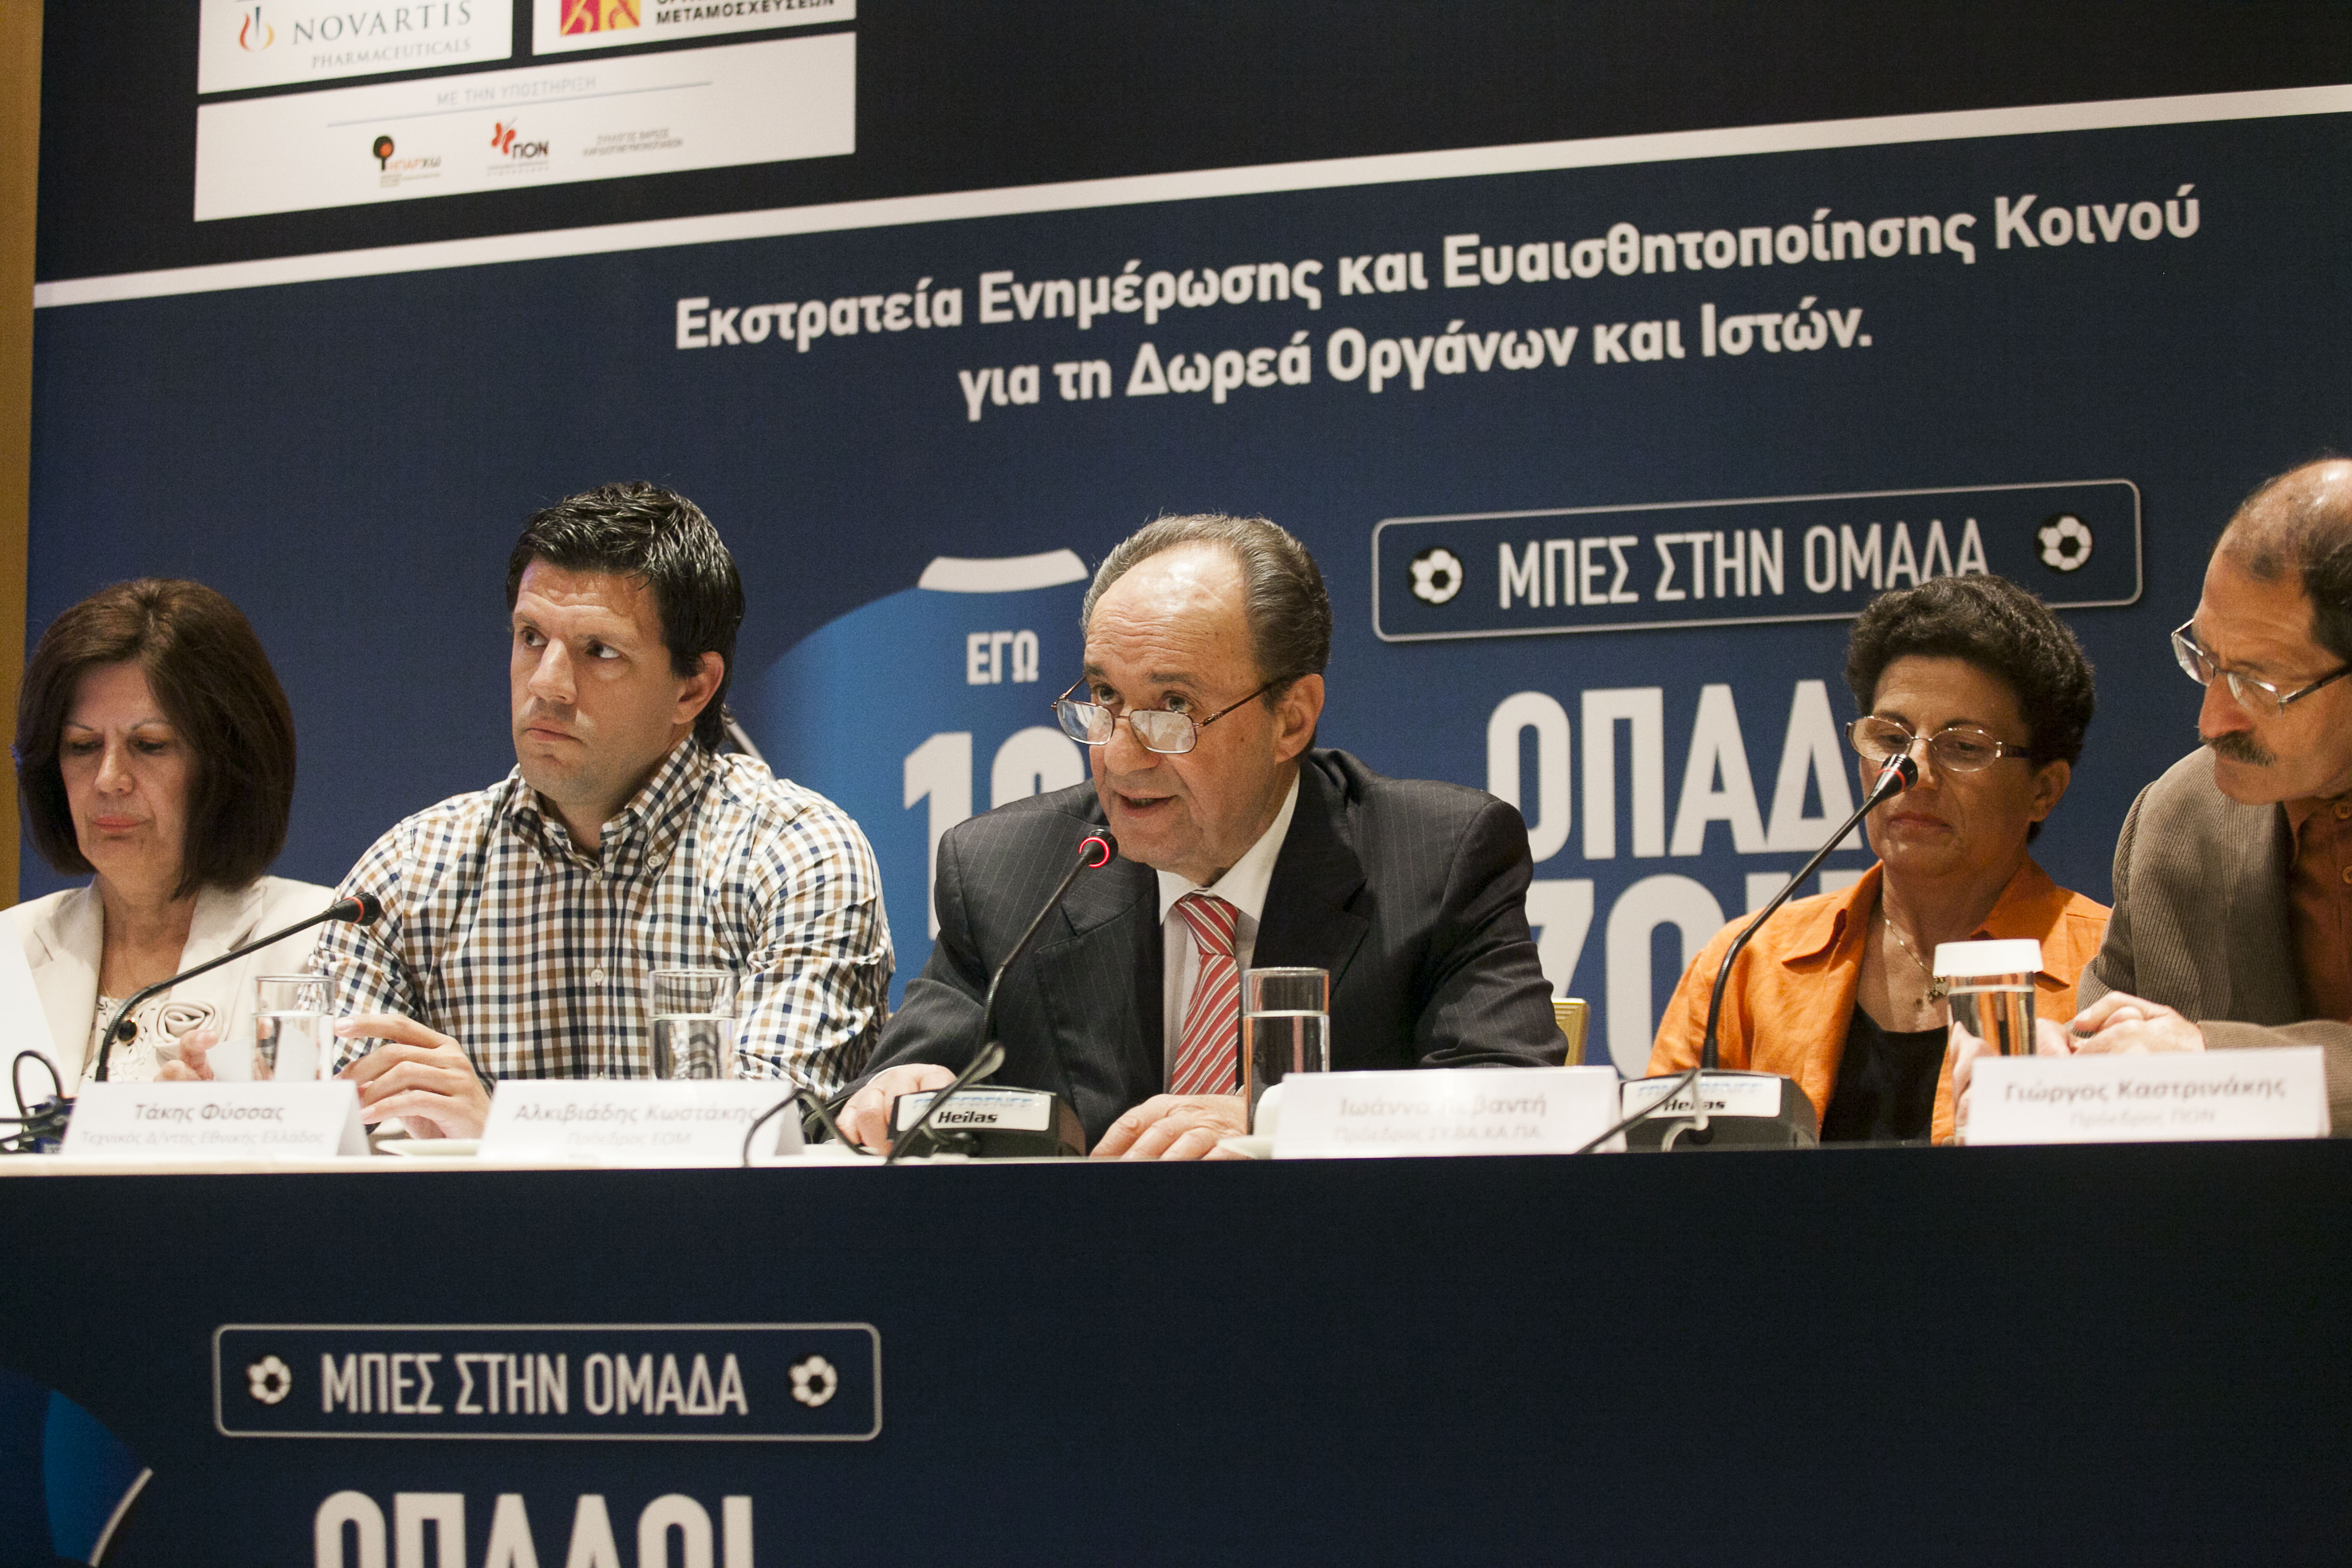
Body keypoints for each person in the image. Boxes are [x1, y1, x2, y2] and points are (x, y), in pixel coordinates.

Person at [840, 513, 1564, 1160]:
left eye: (1174, 706)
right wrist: (892, 1097)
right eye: (1105, 696)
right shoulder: (1006, 873)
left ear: (1292, 719)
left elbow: (1514, 1099)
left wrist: (1279, 1120)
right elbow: (879, 1101)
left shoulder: (1437, 858)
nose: (1121, 756)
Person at [313, 482, 892, 1138]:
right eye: (532, 637)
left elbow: (769, 1132)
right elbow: (331, 1132)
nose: (547, 684)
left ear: (693, 688)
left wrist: (502, 1137)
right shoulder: (406, 876)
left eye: (601, 651)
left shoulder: (796, 857)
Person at [1648, 574, 2109, 1143]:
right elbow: (1657, 1173)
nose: (1912, 773)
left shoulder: (2110, 968)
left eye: (1963, 746)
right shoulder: (1744, 965)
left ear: (2043, 790)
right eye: (1890, 739)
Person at [2019, 458, 2352, 1132]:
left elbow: (2187, 1056)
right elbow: (2115, 1049)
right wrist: (2066, 1074)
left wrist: (2210, 1060)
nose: (2211, 722)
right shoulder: (2176, 818)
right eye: (2205, 659)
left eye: (2258, 684)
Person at [8, 579, 332, 1090]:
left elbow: (373, 1135)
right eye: (82, 746)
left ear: (226, 764)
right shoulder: (11, 951)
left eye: (150, 745)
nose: (109, 778)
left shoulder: (317, 944)